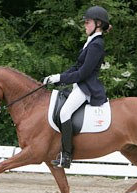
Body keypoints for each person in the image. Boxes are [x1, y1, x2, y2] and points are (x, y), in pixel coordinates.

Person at [43, 6, 112, 168]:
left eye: (87, 22)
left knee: (65, 112)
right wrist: (58, 78)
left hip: (87, 87)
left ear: (98, 24)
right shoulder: (91, 41)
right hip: (80, 85)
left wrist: (61, 78)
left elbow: (83, 73)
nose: (85, 25)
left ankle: (66, 155)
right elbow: (76, 67)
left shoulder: (97, 44)